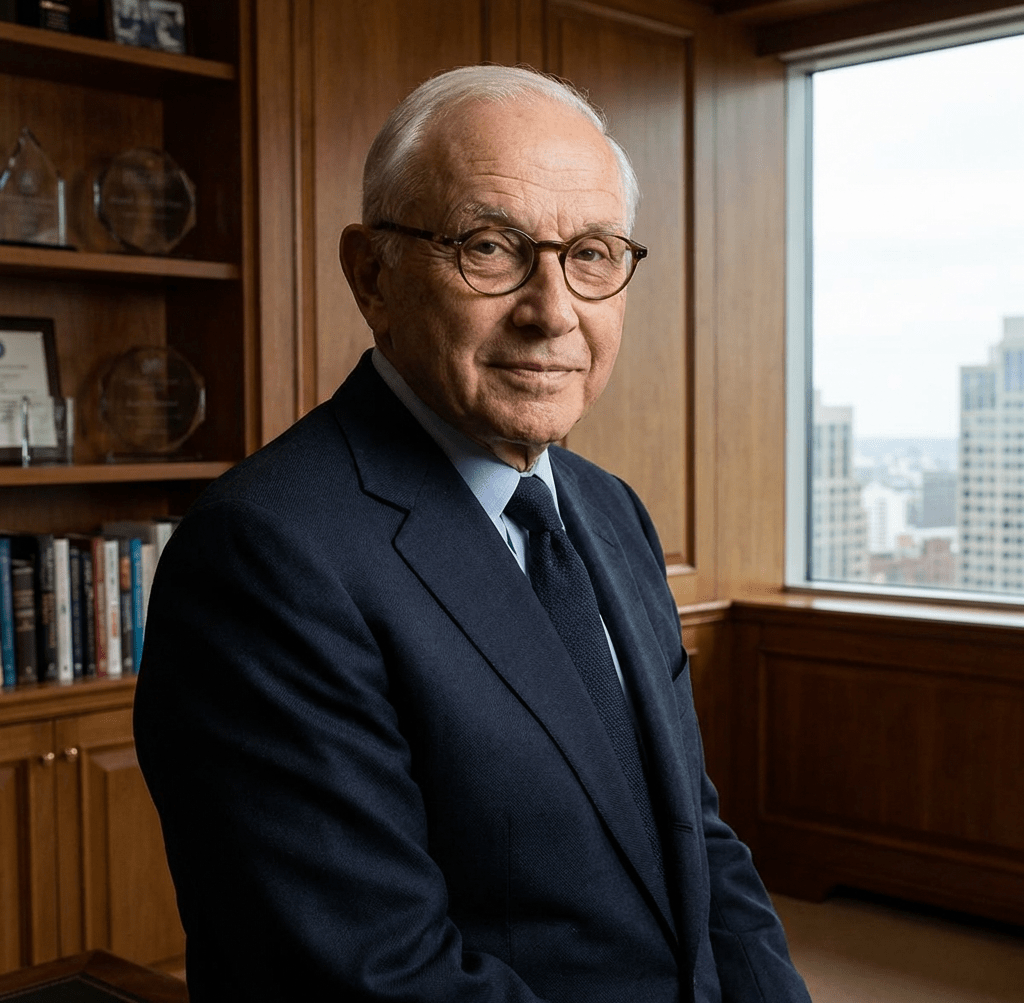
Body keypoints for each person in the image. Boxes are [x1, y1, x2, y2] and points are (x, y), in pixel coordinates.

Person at [134, 64, 811, 1003]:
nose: (552, 311)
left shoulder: (609, 508)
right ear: (370, 273)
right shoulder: (266, 557)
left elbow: (697, 839)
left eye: (593, 252)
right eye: (490, 248)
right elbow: (370, 975)